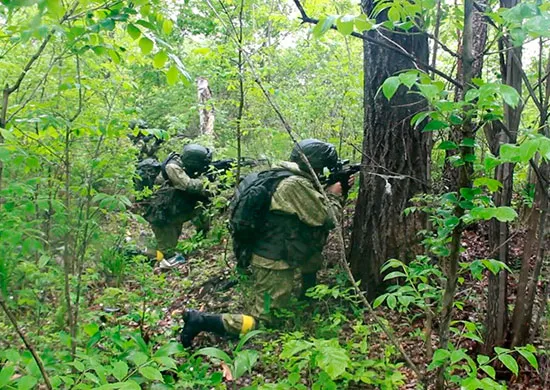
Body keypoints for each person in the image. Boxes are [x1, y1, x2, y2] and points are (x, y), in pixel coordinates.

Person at [180, 139, 355, 347]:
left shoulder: (284, 174)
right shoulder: (295, 184)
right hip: (273, 261)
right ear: (316, 166)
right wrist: (334, 195)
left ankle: (307, 301)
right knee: (265, 322)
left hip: (278, 251)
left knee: (311, 260)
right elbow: (328, 218)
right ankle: (202, 321)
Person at [143, 144, 213, 268]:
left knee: (200, 207)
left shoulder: (185, 165)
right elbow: (189, 186)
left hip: (174, 207)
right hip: (162, 212)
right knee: (167, 253)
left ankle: (203, 238)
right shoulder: (173, 167)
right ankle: (139, 251)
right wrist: (205, 180)